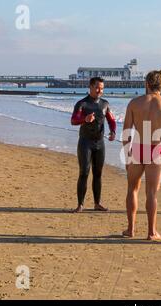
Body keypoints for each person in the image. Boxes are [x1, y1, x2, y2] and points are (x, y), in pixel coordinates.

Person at [122, 70, 161, 241]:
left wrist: (126, 154)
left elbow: (126, 131)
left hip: (138, 148)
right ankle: (152, 232)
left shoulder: (134, 103)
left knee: (132, 188)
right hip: (155, 150)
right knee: (152, 193)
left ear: (147, 83)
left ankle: (131, 229)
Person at [71, 77, 117, 213]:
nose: (100, 91)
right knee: (84, 172)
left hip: (100, 143)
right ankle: (80, 204)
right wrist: (84, 119)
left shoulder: (105, 104)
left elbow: (112, 120)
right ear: (90, 87)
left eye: (102, 88)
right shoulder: (82, 104)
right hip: (85, 142)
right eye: (97, 87)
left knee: (98, 174)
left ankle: (97, 203)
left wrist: (113, 131)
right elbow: (73, 120)